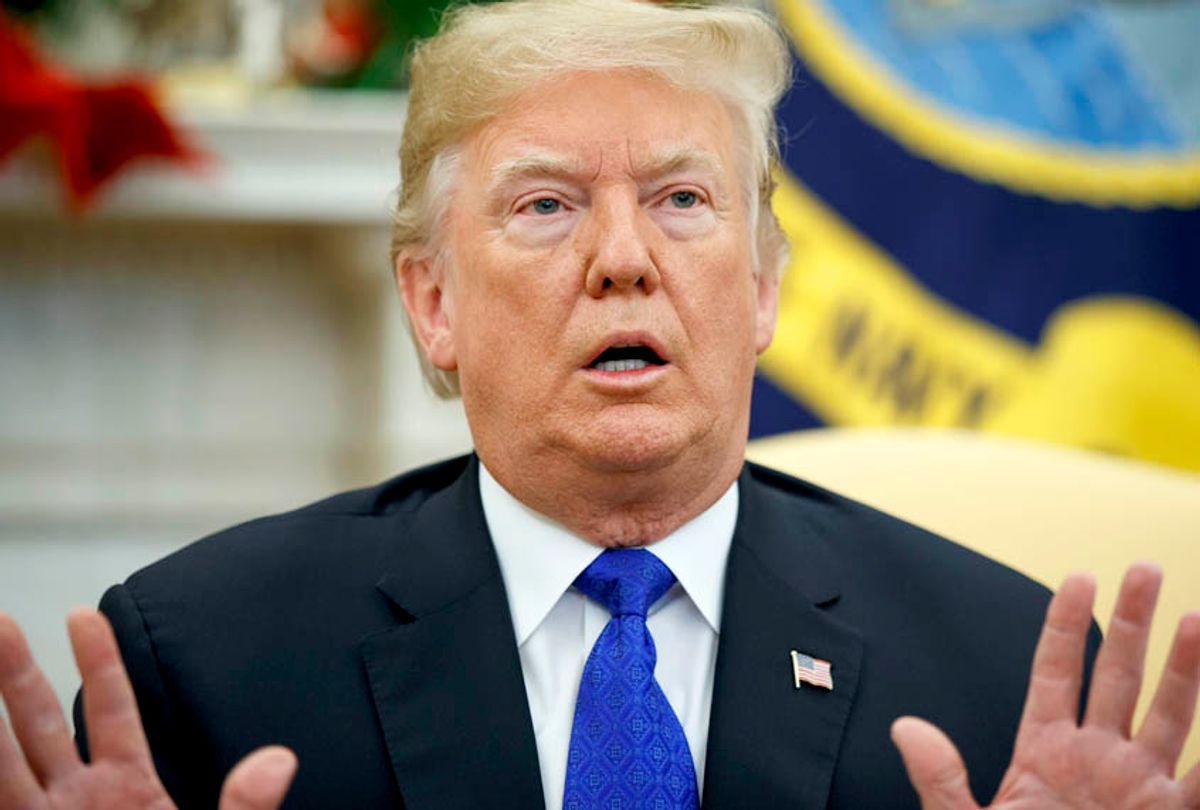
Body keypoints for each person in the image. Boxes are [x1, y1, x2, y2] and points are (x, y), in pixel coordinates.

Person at [1, 1, 1198, 809]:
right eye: (545, 205)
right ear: (433, 304)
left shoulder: (1005, 679)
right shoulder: (206, 665)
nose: (623, 258)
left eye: (682, 199)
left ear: (766, 284)